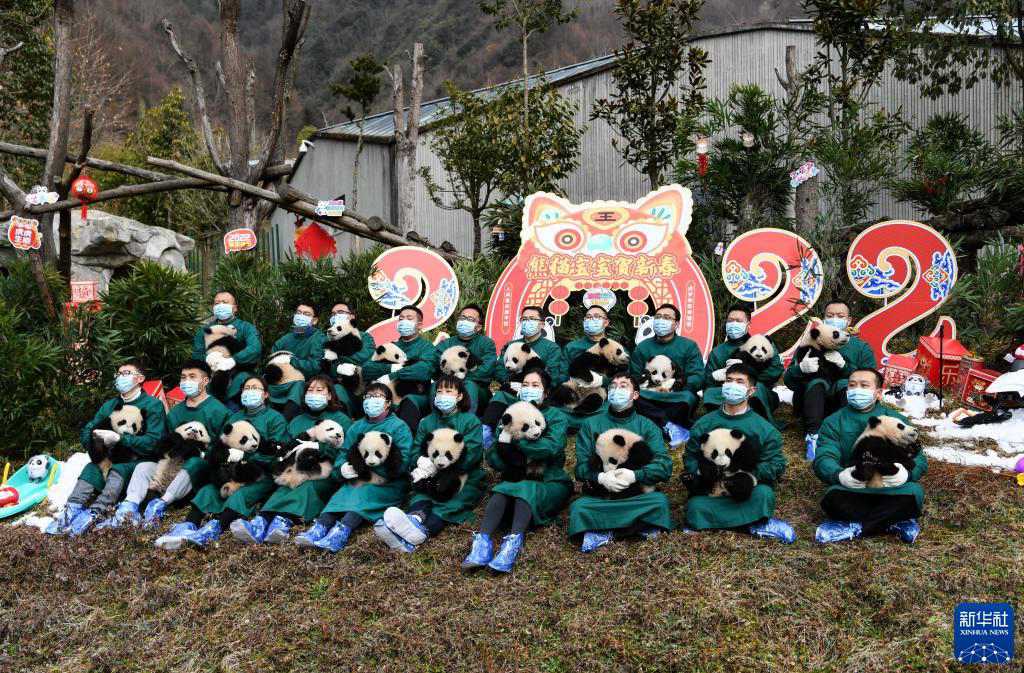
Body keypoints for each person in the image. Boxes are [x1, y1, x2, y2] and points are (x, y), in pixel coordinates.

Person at [154, 375, 288, 550]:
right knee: (209, 490)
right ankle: (189, 525)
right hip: (230, 471)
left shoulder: (275, 419)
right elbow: (219, 444)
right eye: (246, 389)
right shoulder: (234, 417)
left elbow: (277, 452)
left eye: (255, 388)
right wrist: (223, 455)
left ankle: (214, 528)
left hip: (259, 474)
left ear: (266, 395)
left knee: (240, 494)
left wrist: (247, 457)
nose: (250, 392)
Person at [461, 369, 572, 573]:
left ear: (546, 392)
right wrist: (507, 452)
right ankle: (482, 542)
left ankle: (512, 543)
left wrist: (515, 443)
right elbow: (495, 455)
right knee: (502, 490)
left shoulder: (556, 416)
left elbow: (550, 448)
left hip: (549, 480)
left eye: (536, 385)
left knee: (524, 490)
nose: (529, 389)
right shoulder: (511, 413)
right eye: (526, 385)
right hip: (514, 477)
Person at [98, 359, 230, 529]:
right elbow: (164, 446)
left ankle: (159, 505)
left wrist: (203, 451)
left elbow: (223, 448)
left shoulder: (220, 410)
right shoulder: (175, 412)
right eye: (183, 377)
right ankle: (129, 507)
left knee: (194, 462)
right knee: (144, 466)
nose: (186, 381)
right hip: (171, 467)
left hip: (198, 471)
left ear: (205, 381)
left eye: (192, 376)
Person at [47, 362, 168, 535]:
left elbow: (154, 442)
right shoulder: (110, 405)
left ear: (140, 379)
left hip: (139, 460)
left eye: (126, 373)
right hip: (111, 457)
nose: (121, 377)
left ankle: (97, 510)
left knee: (119, 468)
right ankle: (72, 508)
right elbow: (88, 429)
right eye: (118, 374)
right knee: (92, 468)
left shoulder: (152, 405)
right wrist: (95, 441)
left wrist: (121, 439)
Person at [292, 382, 415, 553]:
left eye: (377, 397)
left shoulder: (399, 427)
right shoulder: (357, 427)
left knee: (362, 495)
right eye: (368, 397)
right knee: (342, 494)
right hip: (358, 477)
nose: (371, 401)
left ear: (388, 403)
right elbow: (343, 453)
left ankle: (341, 531)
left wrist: (376, 468)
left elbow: (404, 459)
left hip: (387, 482)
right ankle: (320, 527)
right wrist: (342, 468)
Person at [230, 376, 353, 544]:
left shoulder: (342, 419)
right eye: (310, 390)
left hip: (323, 472)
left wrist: (320, 448)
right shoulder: (297, 421)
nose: (314, 394)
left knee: (307, 486)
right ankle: (261, 521)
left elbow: (345, 451)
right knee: (284, 485)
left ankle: (283, 522)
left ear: (330, 395)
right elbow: (286, 448)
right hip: (295, 468)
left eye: (319, 390)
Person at [812, 368, 927, 544]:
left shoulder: (895, 419)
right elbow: (824, 457)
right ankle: (890, 521)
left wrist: (907, 474)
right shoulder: (833, 422)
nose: (857, 390)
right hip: (854, 487)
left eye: (864, 385)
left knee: (914, 494)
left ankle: (857, 526)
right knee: (832, 498)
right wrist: (838, 474)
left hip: (891, 487)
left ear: (879, 393)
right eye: (852, 385)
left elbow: (919, 458)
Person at [683, 363, 794, 542]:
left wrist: (747, 475)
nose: (732, 385)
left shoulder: (765, 429)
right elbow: (690, 457)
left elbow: (776, 464)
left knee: (764, 495)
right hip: (714, 489)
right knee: (695, 505)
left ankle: (715, 522)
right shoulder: (704, 423)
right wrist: (703, 472)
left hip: (747, 490)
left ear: (751, 391)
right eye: (729, 380)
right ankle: (749, 524)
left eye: (739, 382)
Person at [373, 375, 485, 552]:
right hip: (430, 475)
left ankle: (420, 532)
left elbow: (472, 453)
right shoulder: (427, 422)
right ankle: (413, 521)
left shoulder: (470, 422)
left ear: (460, 396)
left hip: (463, 476)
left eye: (449, 391)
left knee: (448, 504)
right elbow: (416, 449)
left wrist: (444, 464)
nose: (443, 395)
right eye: (439, 391)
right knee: (421, 496)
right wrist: (420, 462)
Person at [568, 371, 672, 552]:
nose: (617, 390)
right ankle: (635, 529)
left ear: (636, 394)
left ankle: (607, 531)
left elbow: (664, 467)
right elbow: (581, 469)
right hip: (602, 496)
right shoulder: (591, 425)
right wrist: (600, 477)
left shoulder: (647, 426)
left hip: (637, 495)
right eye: (613, 386)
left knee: (660, 502)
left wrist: (635, 475)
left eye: (623, 386)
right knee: (579, 507)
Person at [783, 300, 877, 460]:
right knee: (816, 382)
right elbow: (789, 381)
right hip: (812, 403)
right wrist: (800, 369)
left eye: (840, 316)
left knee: (843, 384)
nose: (835, 319)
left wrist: (844, 366)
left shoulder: (861, 348)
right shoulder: (810, 343)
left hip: (845, 402)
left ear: (849, 321)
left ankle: (849, 434)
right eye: (830, 315)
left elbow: (872, 380)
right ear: (823, 319)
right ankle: (813, 437)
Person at [628, 303, 705, 447]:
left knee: (688, 398)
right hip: (649, 394)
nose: (661, 320)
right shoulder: (643, 347)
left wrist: (677, 385)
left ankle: (654, 424)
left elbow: (698, 375)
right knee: (633, 397)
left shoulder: (689, 346)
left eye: (667, 317)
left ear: (676, 324)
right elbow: (634, 376)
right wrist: (647, 385)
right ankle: (671, 427)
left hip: (677, 395)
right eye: (658, 317)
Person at [359, 305, 438, 433]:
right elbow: (367, 369)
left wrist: (393, 375)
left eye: (409, 318)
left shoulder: (427, 347)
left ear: (419, 325)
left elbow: (424, 370)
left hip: (415, 395)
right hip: (386, 393)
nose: (404, 321)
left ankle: (405, 442)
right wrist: (391, 367)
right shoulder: (390, 346)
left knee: (408, 401)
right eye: (401, 318)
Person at [702, 304, 782, 424]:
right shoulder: (717, 352)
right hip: (727, 392)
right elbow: (707, 383)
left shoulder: (762, 343)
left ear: (748, 325)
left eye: (738, 321)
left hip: (756, 391)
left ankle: (753, 421)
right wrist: (717, 376)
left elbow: (775, 370)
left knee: (758, 389)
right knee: (710, 394)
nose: (734, 324)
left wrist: (747, 374)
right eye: (730, 320)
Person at [557, 305, 624, 433]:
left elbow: (624, 376)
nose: (592, 320)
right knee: (556, 407)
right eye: (588, 317)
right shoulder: (572, 347)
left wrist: (603, 381)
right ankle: (585, 423)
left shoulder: (615, 348)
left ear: (606, 322)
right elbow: (562, 374)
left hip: (601, 396)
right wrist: (572, 380)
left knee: (612, 406)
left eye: (597, 317)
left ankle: (582, 423)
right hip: (575, 392)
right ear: (584, 322)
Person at [190, 291, 262, 402]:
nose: (220, 305)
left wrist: (233, 360)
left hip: (239, 374)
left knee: (241, 382)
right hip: (211, 374)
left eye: (225, 302)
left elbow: (255, 349)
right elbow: (196, 354)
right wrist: (210, 359)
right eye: (217, 303)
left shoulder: (246, 327)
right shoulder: (204, 330)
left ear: (235, 308)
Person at [433, 303, 498, 413]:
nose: (465, 321)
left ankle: (467, 423)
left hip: (477, 389)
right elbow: (435, 363)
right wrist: (452, 380)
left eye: (470, 319)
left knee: (469, 386)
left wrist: (461, 378)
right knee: (436, 386)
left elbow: (487, 369)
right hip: (448, 385)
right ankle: (436, 422)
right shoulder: (446, 343)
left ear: (478, 327)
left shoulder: (487, 343)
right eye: (462, 317)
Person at [268, 302, 326, 419]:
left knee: (298, 386)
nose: (301, 316)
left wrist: (292, 361)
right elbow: (272, 357)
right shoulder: (286, 338)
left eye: (306, 314)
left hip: (304, 381)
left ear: (314, 320)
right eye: (299, 313)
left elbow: (315, 366)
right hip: (279, 379)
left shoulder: (318, 338)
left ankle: (285, 422)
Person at [494, 305, 568, 388]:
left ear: (542, 324)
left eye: (532, 319)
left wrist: (535, 387)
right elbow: (500, 368)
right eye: (524, 319)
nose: (527, 322)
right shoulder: (510, 345)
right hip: (512, 388)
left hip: (539, 391)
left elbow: (552, 375)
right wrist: (509, 382)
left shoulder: (552, 348)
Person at [324, 302, 376, 417]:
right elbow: (325, 366)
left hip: (363, 386)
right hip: (338, 386)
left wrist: (339, 359)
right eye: (333, 314)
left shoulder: (365, 337)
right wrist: (336, 367)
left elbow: (366, 356)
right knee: (336, 390)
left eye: (340, 312)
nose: (335, 316)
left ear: (352, 316)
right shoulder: (327, 338)